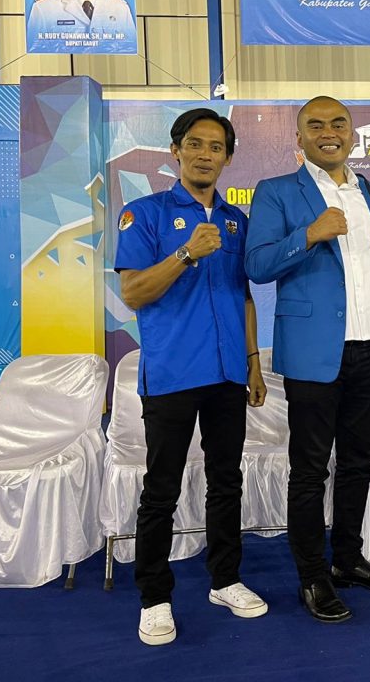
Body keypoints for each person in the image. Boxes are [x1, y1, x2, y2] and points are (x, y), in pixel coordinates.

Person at [245, 96, 370, 624]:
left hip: (369, 345)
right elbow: (257, 264)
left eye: (338, 123)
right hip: (314, 353)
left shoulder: (368, 190)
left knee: (359, 461)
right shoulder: (276, 191)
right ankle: (313, 576)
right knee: (310, 470)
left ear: (352, 134)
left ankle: (347, 559)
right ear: (299, 138)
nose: (328, 132)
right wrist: (309, 235)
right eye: (315, 125)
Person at [114, 108, 268, 646]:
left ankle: (225, 580)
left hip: (228, 374)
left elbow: (243, 296)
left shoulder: (235, 221)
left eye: (216, 146)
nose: (206, 154)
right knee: (162, 489)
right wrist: (185, 253)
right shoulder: (144, 214)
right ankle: (154, 597)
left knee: (227, 482)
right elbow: (133, 293)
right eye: (196, 144)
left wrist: (253, 362)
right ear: (175, 151)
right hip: (173, 374)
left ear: (228, 157)